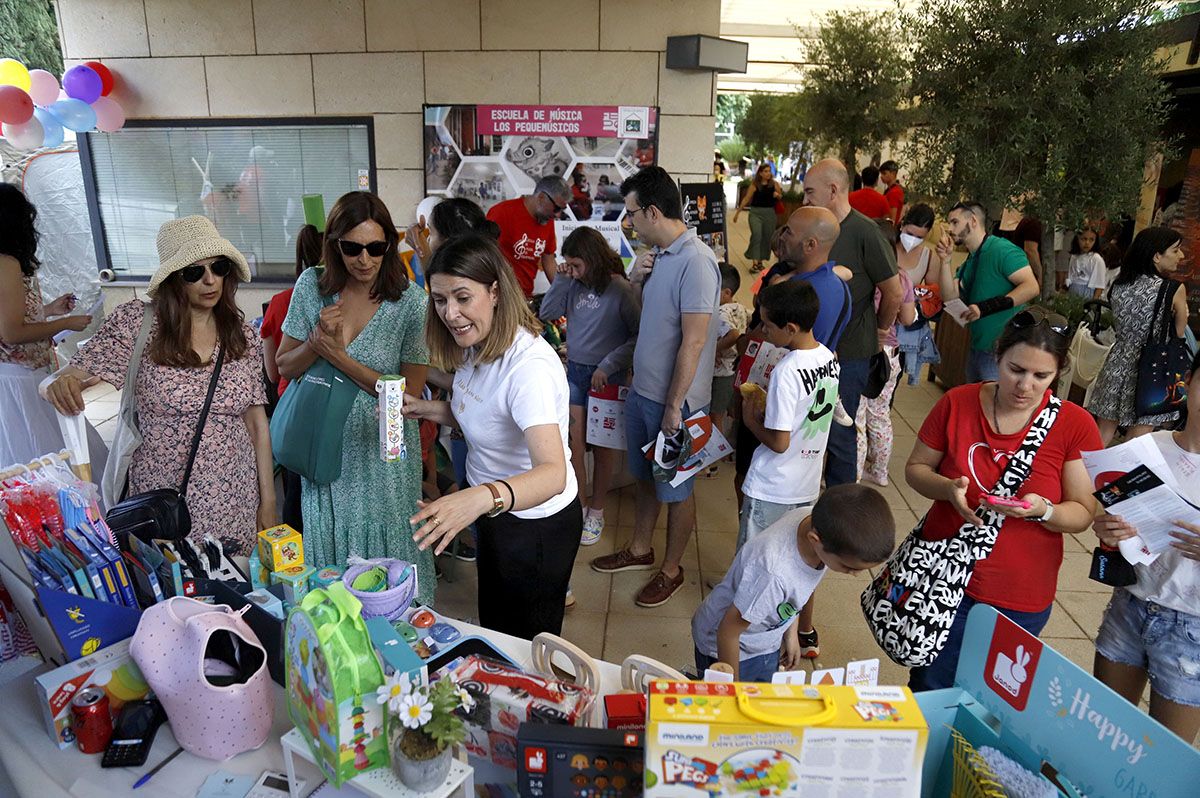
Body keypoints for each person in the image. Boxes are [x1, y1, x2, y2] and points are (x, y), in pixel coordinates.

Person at [44, 216, 274, 554]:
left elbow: (257, 425)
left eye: (218, 267)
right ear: (172, 279)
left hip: (234, 494)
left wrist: (267, 501)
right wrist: (59, 383)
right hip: (164, 500)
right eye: (194, 272)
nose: (210, 280)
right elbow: (75, 372)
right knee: (172, 590)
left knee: (232, 591)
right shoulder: (139, 324)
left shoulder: (243, 337)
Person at [904, 308, 1102, 690]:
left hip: (1021, 591)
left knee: (995, 700)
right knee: (930, 686)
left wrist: (1042, 509)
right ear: (997, 357)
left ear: (1058, 373)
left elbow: (1082, 513)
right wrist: (948, 489)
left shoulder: (1075, 425)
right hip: (942, 577)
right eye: (1015, 370)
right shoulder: (958, 402)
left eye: (1040, 376)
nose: (1025, 385)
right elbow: (916, 469)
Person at [403, 234, 579, 638]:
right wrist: (427, 407)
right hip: (496, 511)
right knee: (497, 623)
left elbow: (553, 474)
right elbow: (485, 410)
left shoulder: (528, 368)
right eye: (440, 300)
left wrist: (477, 498)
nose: (451, 313)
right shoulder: (477, 342)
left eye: (463, 298)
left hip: (535, 525)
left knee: (526, 642)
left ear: (495, 291)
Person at [275, 193, 433, 601]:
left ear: (390, 245)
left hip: (384, 456)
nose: (365, 259)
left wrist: (339, 358)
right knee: (332, 563)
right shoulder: (312, 286)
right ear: (335, 245)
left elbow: (408, 395)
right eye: (352, 248)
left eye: (377, 248)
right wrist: (316, 343)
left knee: (391, 548)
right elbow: (284, 366)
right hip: (324, 447)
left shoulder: (411, 303)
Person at [590, 166, 721, 608]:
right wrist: (638, 279)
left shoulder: (697, 261)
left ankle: (672, 569)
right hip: (644, 393)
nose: (628, 223)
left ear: (651, 211)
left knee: (677, 489)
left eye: (631, 214)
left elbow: (695, 338)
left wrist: (675, 406)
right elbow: (653, 321)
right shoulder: (660, 256)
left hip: (676, 404)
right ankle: (641, 549)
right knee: (647, 477)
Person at [1091, 348, 1200, 744]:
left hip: (1192, 627)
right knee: (1100, 731)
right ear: (1188, 384)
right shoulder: (1148, 448)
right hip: (1131, 603)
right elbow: (1113, 526)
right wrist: (1108, 530)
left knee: (1164, 757)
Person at [691, 484, 895, 681]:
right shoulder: (773, 574)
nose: (855, 574)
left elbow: (796, 591)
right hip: (728, 649)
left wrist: (790, 634)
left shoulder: (814, 519)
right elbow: (728, 632)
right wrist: (731, 689)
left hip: (763, 640)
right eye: (848, 567)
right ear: (815, 540)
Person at [801, 158, 902, 488]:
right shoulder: (813, 226)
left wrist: (879, 331)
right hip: (808, 350)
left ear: (832, 190)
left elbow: (893, 292)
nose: (805, 200)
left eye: (809, 192)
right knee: (808, 429)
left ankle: (839, 509)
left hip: (849, 355)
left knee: (839, 436)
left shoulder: (865, 232)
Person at [538, 226, 640, 547]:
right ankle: (580, 505)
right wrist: (564, 278)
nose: (574, 271)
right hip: (576, 374)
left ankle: (597, 509)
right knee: (574, 447)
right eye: (569, 264)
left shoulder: (620, 290)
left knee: (603, 447)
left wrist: (608, 365)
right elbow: (548, 312)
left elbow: (637, 337)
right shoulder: (573, 285)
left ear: (594, 260)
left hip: (607, 377)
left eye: (577, 265)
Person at [0, 184, 106, 471]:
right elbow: (11, 333)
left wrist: (49, 311)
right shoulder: (6, 263)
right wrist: (65, 323)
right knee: (52, 460)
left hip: (20, 376)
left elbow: (10, 318)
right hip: (20, 381)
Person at [739, 280, 839, 547]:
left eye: (767, 326)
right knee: (790, 557)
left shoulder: (787, 370)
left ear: (790, 328)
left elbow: (780, 443)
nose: (762, 331)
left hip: (773, 486)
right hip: (805, 484)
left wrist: (751, 420)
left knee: (753, 559)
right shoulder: (829, 358)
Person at [1087, 227, 1188, 445]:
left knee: (1102, 431)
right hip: (1154, 365)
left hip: (1118, 359)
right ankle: (1121, 478)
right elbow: (1179, 332)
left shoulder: (1120, 284)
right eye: (1176, 250)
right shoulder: (1173, 289)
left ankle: (1086, 475)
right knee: (1138, 436)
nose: (1181, 256)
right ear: (1157, 256)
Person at [934, 201, 1040, 383]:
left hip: (1002, 352)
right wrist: (945, 261)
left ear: (973, 221)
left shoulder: (1002, 249)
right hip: (978, 348)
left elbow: (1031, 287)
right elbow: (949, 296)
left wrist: (986, 307)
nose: (950, 228)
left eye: (955, 222)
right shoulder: (970, 261)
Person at [261, 224, 323, 532]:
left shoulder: (279, 301)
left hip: (292, 411)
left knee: (295, 493)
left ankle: (295, 564)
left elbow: (272, 372)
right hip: (329, 408)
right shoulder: (345, 301)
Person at [857, 222, 918, 487]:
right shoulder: (902, 277)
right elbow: (907, 318)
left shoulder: (861, 275)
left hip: (861, 351)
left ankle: (854, 472)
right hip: (890, 355)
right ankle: (880, 471)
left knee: (857, 415)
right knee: (880, 413)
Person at [486, 176, 569, 297]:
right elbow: (482, 252)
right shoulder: (502, 213)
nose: (557, 214)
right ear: (541, 198)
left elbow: (549, 260)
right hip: (499, 296)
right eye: (556, 208)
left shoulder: (547, 221)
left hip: (524, 296)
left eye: (562, 209)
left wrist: (564, 293)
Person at [709, 264, 749, 450]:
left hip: (721, 373)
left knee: (714, 416)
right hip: (733, 369)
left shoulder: (721, 312)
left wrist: (714, 350)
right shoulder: (739, 307)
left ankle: (716, 457)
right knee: (726, 412)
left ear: (726, 292)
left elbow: (732, 335)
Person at [733, 163, 782, 273]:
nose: (768, 173)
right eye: (765, 171)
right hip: (756, 213)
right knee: (757, 235)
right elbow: (746, 199)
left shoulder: (774, 184)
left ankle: (760, 261)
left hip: (769, 214)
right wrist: (738, 213)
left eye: (769, 171)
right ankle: (754, 263)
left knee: (766, 237)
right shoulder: (755, 185)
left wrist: (777, 195)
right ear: (760, 173)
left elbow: (780, 196)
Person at [994, 209, 1044, 289]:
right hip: (1026, 271)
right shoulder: (1033, 224)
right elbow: (1030, 251)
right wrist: (1041, 275)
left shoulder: (1026, 222)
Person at [896, 203, 940, 290]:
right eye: (909, 234)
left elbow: (932, 293)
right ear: (902, 225)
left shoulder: (929, 258)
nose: (912, 240)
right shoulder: (886, 246)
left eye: (919, 237)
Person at [1064, 228, 1107, 300]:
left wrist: (1093, 302)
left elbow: (1099, 285)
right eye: (1084, 239)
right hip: (1073, 290)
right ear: (1077, 239)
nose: (1087, 243)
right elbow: (1071, 275)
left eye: (1091, 240)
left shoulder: (1096, 259)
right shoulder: (1074, 256)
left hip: (1087, 292)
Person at [879, 160, 904, 225]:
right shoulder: (890, 190)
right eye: (881, 173)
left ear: (893, 173)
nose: (881, 176)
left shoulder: (894, 192)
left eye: (884, 173)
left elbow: (892, 218)